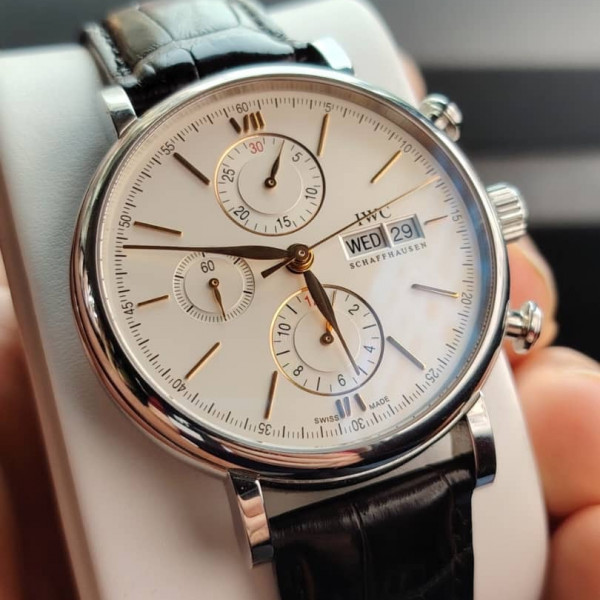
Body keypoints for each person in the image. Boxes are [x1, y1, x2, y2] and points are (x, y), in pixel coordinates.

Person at [0, 60, 598, 599]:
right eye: (294, 256)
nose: (300, 255)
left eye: (303, 253)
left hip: (433, 426)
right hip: (278, 470)